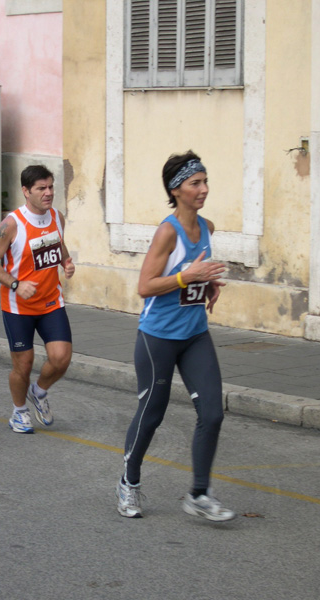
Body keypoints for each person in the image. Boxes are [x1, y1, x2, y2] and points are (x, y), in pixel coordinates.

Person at [116, 150, 236, 522]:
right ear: (176, 189)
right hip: (158, 338)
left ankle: (199, 495)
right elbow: (145, 286)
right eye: (195, 183)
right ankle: (128, 482)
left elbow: (196, 273)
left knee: (213, 413)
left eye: (204, 181)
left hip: (195, 333)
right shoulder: (168, 232)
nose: (203, 189)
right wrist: (189, 278)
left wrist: (210, 285)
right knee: (152, 414)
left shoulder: (207, 227)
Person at [0, 165, 75, 433]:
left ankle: (39, 392)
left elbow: (59, 245)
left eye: (51, 187)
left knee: (62, 358)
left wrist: (66, 263)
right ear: (26, 191)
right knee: (23, 364)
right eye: (41, 188)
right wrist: (15, 283)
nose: (48, 193)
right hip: (18, 306)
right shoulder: (12, 224)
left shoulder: (57, 217)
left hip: (51, 302)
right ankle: (19, 412)